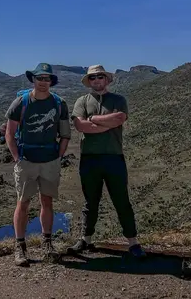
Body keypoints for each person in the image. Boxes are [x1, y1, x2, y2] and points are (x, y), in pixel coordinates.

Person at [67, 64, 146, 258]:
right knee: (90, 202)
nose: (96, 80)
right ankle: (86, 239)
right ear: (89, 82)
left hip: (114, 157)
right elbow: (79, 125)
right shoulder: (82, 101)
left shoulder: (118, 100)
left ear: (106, 79)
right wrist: (105, 125)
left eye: (100, 77)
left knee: (121, 201)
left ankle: (133, 242)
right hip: (89, 159)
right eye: (92, 78)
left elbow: (119, 118)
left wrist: (93, 119)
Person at [4, 63, 71, 266]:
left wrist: (58, 157)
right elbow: (9, 132)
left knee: (47, 202)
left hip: (49, 160)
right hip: (27, 161)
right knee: (23, 203)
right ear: (33, 80)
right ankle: (20, 246)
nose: (43, 82)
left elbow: (65, 134)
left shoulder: (59, 103)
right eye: (39, 78)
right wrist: (17, 157)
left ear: (51, 81)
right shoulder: (21, 102)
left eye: (46, 78)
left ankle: (47, 243)